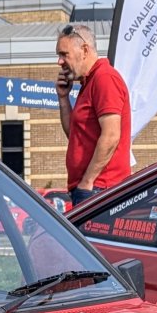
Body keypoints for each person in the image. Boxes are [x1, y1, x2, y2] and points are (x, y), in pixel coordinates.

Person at [54, 23, 131, 204]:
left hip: (100, 190)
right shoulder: (88, 83)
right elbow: (74, 136)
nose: (59, 61)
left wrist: (88, 181)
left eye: (64, 54)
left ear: (85, 50)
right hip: (90, 188)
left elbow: (111, 135)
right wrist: (63, 99)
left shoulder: (104, 78)